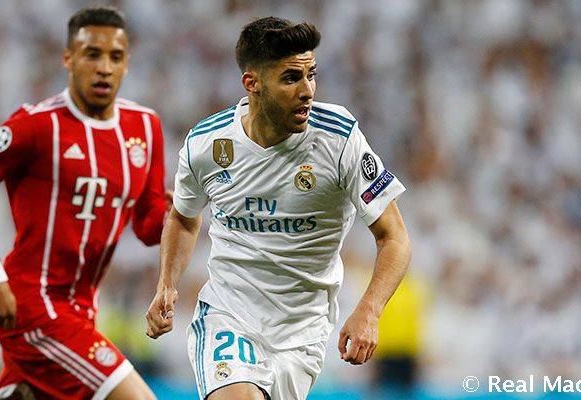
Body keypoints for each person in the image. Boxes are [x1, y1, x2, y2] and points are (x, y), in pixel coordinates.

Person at [145, 17, 412, 400]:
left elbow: (394, 238)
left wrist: (369, 310)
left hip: (301, 333)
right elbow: (184, 219)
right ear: (252, 83)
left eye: (311, 75)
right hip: (229, 313)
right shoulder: (206, 144)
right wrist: (166, 285)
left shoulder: (339, 139)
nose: (307, 91)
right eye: (291, 78)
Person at [0, 6, 168, 400]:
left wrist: (181, 210)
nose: (104, 68)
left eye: (115, 57)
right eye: (92, 55)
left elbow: (147, 226)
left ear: (127, 63)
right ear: (68, 58)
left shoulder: (144, 127)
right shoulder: (37, 125)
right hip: (32, 305)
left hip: (82, 310)